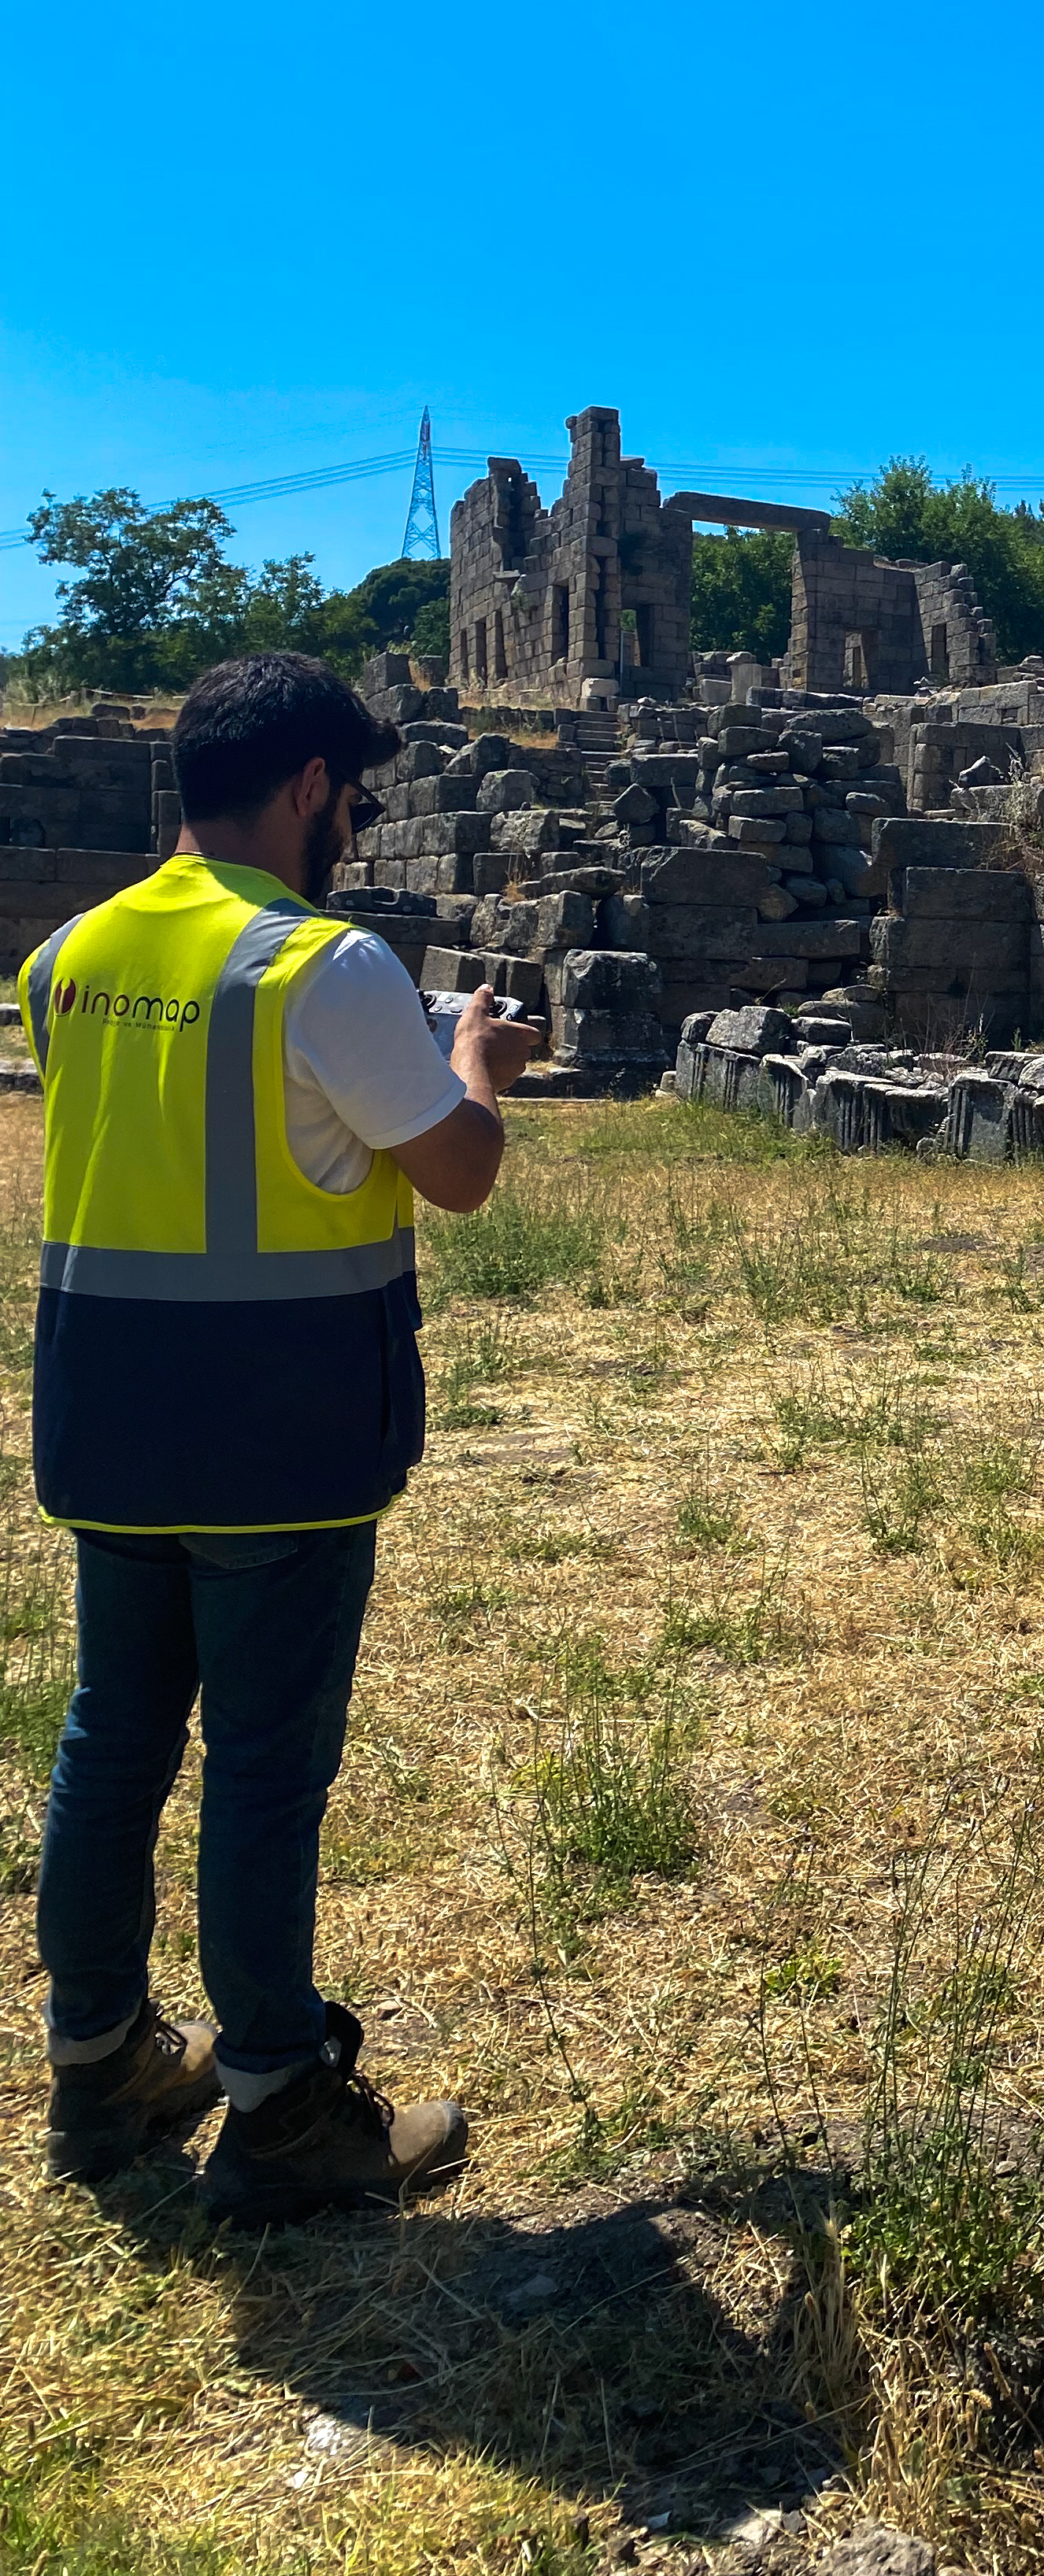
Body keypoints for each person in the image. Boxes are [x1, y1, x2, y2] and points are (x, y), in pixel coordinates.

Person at [25, 653, 539, 2223]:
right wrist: (477, 1066)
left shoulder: (66, 957)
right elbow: (457, 1170)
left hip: (109, 1416)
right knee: (262, 1767)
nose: (356, 833)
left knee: (114, 1741)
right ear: (309, 786)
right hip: (277, 1427)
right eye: (355, 803)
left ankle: (99, 2064)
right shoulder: (325, 964)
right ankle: (279, 2105)